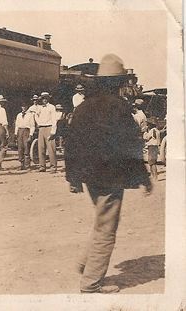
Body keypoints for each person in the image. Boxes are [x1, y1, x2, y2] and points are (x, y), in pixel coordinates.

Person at [65, 53, 152, 294]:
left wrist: (72, 177)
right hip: (110, 177)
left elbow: (71, 143)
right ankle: (91, 283)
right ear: (118, 83)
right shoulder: (119, 107)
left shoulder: (82, 108)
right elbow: (130, 144)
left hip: (89, 176)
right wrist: (143, 177)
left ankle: (86, 264)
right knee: (106, 228)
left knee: (101, 220)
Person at [30, 92, 58, 172]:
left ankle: (53, 167)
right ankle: (42, 166)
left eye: (46, 98)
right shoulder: (39, 108)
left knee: (51, 148)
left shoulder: (52, 107)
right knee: (41, 147)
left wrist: (53, 131)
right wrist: (39, 123)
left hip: (49, 128)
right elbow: (35, 115)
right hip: (41, 128)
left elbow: (54, 119)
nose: (44, 100)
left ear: (48, 99)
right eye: (43, 98)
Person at [14, 101, 35, 170]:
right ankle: (21, 164)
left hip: (26, 131)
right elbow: (17, 125)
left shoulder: (30, 115)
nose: (24, 108)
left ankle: (27, 165)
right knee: (20, 148)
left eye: (25, 106)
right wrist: (15, 133)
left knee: (26, 147)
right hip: (20, 131)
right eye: (22, 106)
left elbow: (32, 126)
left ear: (27, 107)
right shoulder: (19, 115)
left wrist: (31, 135)